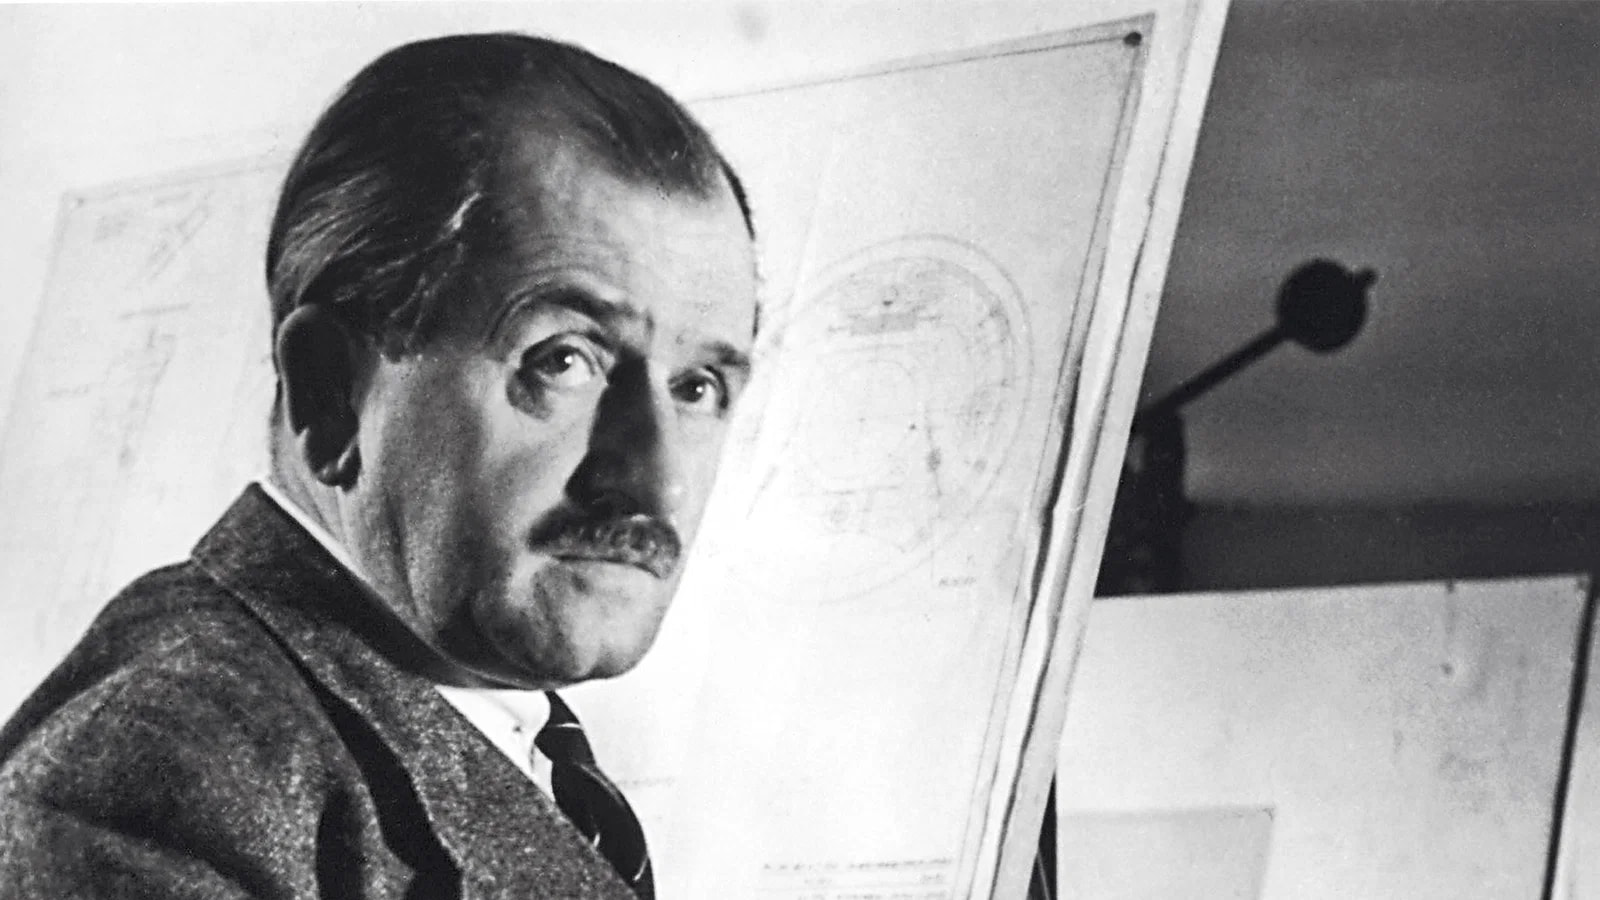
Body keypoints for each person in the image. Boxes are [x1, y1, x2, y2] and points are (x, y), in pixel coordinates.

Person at [0, 32, 759, 899]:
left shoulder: (489, 737)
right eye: (563, 360)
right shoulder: (158, 780)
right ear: (330, 392)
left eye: (697, 387)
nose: (658, 481)